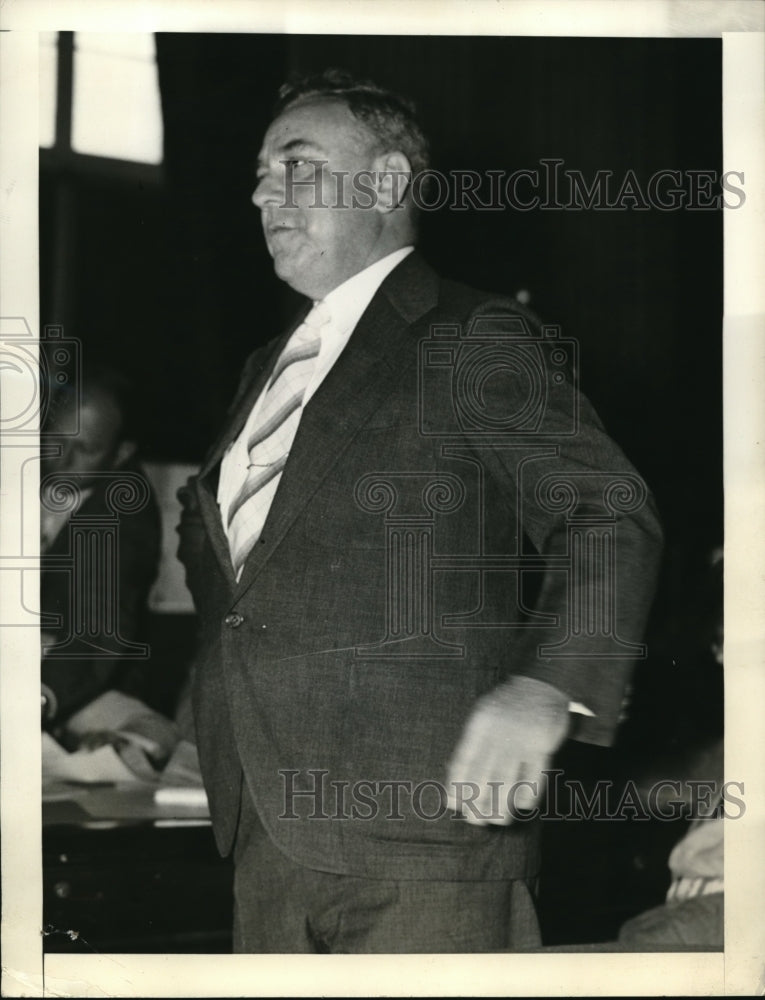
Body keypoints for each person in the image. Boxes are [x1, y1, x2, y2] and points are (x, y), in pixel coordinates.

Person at [177, 69, 663, 953]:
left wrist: (549, 682)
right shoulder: (267, 364)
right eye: (258, 171)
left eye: (296, 165)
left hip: (423, 835)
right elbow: (216, 532)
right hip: (262, 831)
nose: (260, 192)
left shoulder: (469, 334)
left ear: (388, 182)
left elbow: (606, 509)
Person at [40, 365, 162, 731]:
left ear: (121, 452)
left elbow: (97, 632)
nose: (61, 460)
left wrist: (36, 697)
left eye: (86, 449)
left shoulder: (123, 514)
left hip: (79, 685)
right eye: (56, 438)